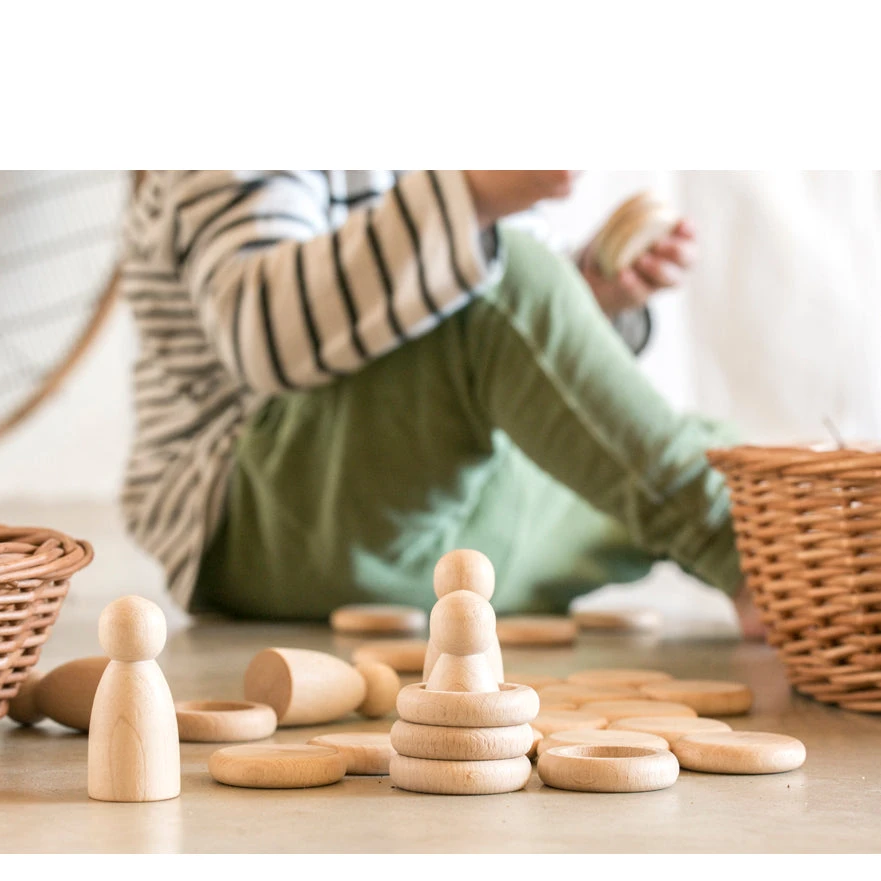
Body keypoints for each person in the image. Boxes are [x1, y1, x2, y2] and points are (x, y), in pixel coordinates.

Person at [120, 170, 749, 626]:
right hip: (266, 519)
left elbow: (511, 362)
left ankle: (764, 533)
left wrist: (586, 292)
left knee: (727, 456)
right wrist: (470, 201)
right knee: (509, 280)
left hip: (444, 532)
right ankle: (743, 555)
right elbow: (262, 332)